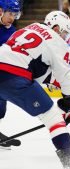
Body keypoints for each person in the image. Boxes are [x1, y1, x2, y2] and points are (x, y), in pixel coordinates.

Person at [0, 11, 70, 169]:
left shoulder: (29, 27)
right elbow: (67, 77)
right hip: (14, 77)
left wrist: (50, 80)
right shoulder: (57, 42)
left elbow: (30, 61)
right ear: (55, 28)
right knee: (53, 117)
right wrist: (67, 103)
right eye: (64, 32)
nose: (64, 37)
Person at [0, 0, 22, 149]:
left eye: (15, 14)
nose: (12, 17)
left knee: (1, 108)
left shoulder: (13, 31)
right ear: (1, 11)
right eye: (10, 13)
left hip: (2, 75)